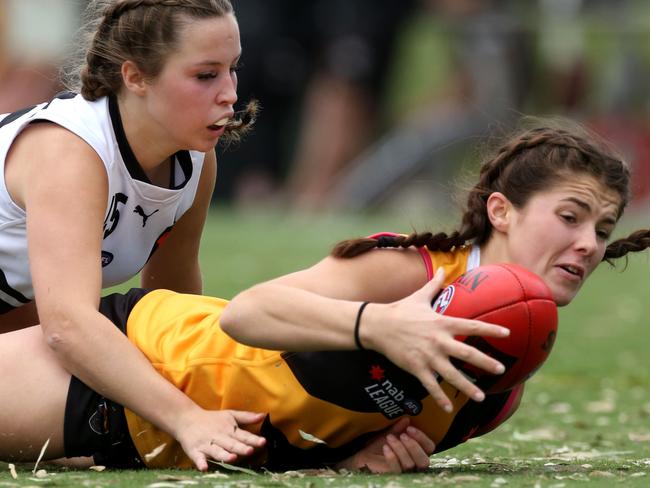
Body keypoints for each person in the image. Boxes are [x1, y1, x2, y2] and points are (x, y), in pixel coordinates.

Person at [0, 123, 648, 471]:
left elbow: (311, 442)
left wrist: (365, 464)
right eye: (570, 216)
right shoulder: (408, 272)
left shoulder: (502, 390)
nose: (589, 243)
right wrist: (379, 326)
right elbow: (249, 312)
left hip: (143, 447)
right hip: (128, 370)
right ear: (501, 211)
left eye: (602, 229)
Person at [0, 0, 264, 472]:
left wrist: (206, 392)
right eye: (206, 75)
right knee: (109, 432)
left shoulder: (195, 158)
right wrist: (185, 418)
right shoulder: (70, 151)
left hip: (18, 323)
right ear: (135, 77)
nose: (229, 93)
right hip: (34, 324)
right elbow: (67, 326)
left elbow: (169, 308)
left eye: (232, 69)